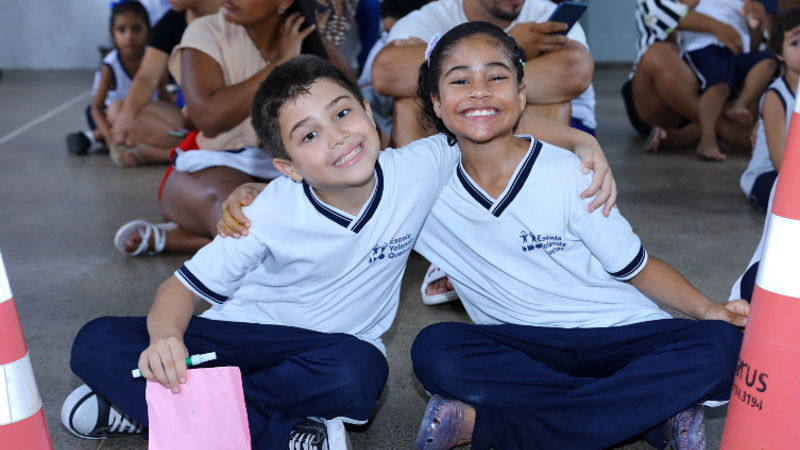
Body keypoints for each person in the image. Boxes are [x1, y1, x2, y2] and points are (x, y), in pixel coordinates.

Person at [62, 54, 613, 450]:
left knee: (362, 372)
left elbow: (496, 122)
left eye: (343, 113)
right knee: (95, 341)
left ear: (368, 114)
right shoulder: (267, 211)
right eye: (308, 136)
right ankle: (278, 436)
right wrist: (165, 339)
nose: (339, 138)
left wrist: (582, 142)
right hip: (241, 337)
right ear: (287, 168)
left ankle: (161, 412)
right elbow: (179, 292)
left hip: (328, 355)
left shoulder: (416, 168)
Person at [113, 0, 352, 256]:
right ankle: (221, 242)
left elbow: (348, 102)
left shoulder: (304, 34)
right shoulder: (205, 31)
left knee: (332, 221)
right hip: (214, 165)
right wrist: (280, 63)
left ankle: (196, 242)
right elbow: (209, 118)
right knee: (243, 215)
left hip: (288, 168)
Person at [371, 0, 595, 147]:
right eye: (461, 78)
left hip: (561, 126)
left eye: (497, 77)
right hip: (454, 129)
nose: (481, 90)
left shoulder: (542, 12)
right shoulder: (433, 16)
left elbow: (574, 71)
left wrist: (457, 79)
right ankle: (426, 201)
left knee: (548, 100)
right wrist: (512, 45)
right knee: (411, 98)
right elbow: (386, 74)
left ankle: (533, 195)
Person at [622, 0, 766, 153]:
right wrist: (719, 28)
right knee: (656, 55)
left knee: (772, 67)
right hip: (663, 99)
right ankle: (726, 129)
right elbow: (659, 14)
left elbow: (751, 52)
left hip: (721, 88)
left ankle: (689, 134)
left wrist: (756, 27)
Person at [109, 0, 222, 168]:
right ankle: (191, 150)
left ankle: (175, 152)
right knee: (117, 111)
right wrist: (127, 116)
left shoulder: (236, 14)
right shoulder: (171, 21)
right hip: (192, 115)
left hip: (231, 113)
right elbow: (147, 77)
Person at [682, 0, 778, 161]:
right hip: (705, 47)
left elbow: (754, 43)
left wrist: (757, 23)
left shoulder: (745, 3)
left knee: (768, 62)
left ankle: (739, 105)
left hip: (737, 52)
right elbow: (680, 11)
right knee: (719, 86)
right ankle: (707, 137)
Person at [65, 1, 161, 158]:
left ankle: (90, 138)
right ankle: (101, 135)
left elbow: (163, 97)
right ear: (112, 34)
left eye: (136, 29)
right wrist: (110, 137)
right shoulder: (110, 67)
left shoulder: (155, 59)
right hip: (109, 116)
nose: (129, 36)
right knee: (117, 112)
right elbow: (96, 108)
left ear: (148, 31)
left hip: (143, 113)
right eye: (121, 30)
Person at [741, 7, 800, 208]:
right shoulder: (775, 97)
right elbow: (779, 158)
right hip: (770, 174)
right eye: (796, 43)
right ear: (779, 53)